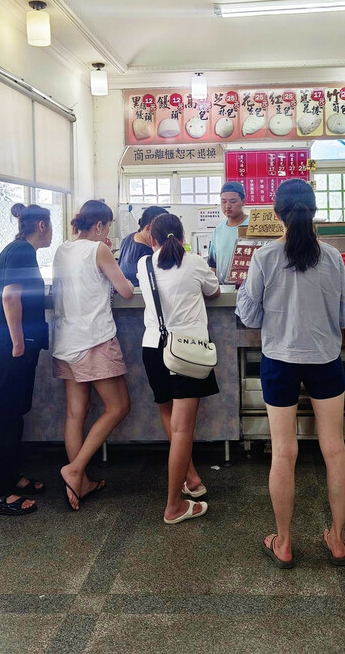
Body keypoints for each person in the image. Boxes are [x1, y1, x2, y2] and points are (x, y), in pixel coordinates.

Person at [236, 179, 345, 569]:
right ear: (314, 211)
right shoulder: (332, 257)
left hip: (279, 359)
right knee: (334, 449)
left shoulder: (264, 256)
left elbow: (249, 315)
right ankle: (337, 540)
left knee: (283, 451)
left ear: (277, 214)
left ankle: (284, 542)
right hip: (325, 358)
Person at [137, 212, 220, 524]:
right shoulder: (195, 262)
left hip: (153, 348)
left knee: (169, 415)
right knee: (183, 429)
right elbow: (214, 291)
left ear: (153, 239)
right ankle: (173, 506)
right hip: (186, 352)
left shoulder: (143, 264)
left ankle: (191, 478)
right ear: (183, 237)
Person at [52, 200, 134, 510]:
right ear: (99, 225)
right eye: (108, 226)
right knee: (119, 406)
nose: (108, 232)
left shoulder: (62, 249)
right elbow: (126, 290)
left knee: (76, 414)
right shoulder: (98, 250)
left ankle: (80, 481)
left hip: (65, 340)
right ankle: (74, 470)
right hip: (94, 339)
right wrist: (107, 254)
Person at [0, 204, 52, 515]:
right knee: (0, 417)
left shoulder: (20, 250)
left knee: (13, 415)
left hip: (15, 345)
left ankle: (10, 477)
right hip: (8, 347)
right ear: (41, 225)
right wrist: (16, 343)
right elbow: (10, 296)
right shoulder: (21, 251)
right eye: (50, 227)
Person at [208, 182, 249, 283]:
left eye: (233, 201)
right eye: (223, 201)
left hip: (249, 288)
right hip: (223, 288)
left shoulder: (253, 226)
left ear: (243, 202)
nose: (227, 206)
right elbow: (213, 265)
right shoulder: (217, 230)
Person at [118, 205, 167, 286]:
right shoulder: (147, 256)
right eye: (160, 231)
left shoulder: (128, 238)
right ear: (148, 228)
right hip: (138, 292)